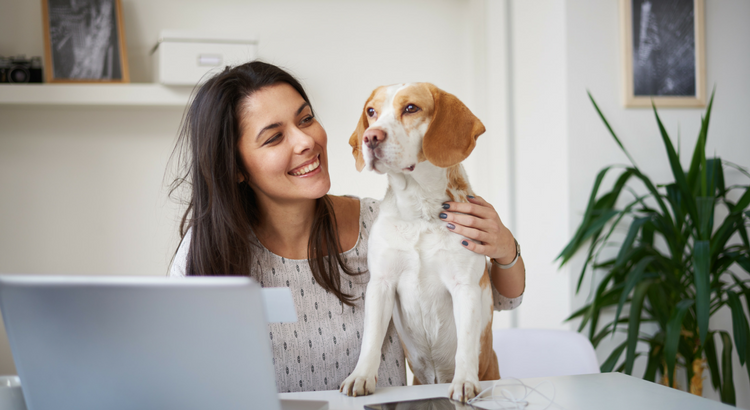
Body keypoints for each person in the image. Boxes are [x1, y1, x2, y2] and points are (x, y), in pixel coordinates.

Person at [168, 61, 526, 393]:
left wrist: (506, 250)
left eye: (306, 119)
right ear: (236, 168)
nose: (305, 141)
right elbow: (180, 375)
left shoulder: (382, 224)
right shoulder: (207, 252)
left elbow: (499, 299)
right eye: (275, 137)